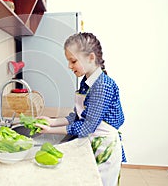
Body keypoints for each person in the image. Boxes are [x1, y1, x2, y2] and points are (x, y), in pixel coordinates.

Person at [36, 32, 126, 186]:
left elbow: (87, 127)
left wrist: (49, 130)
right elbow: (76, 117)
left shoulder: (102, 86)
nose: (69, 66)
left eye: (73, 61)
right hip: (92, 141)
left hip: (104, 147)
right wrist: (51, 122)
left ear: (91, 57)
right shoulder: (86, 82)